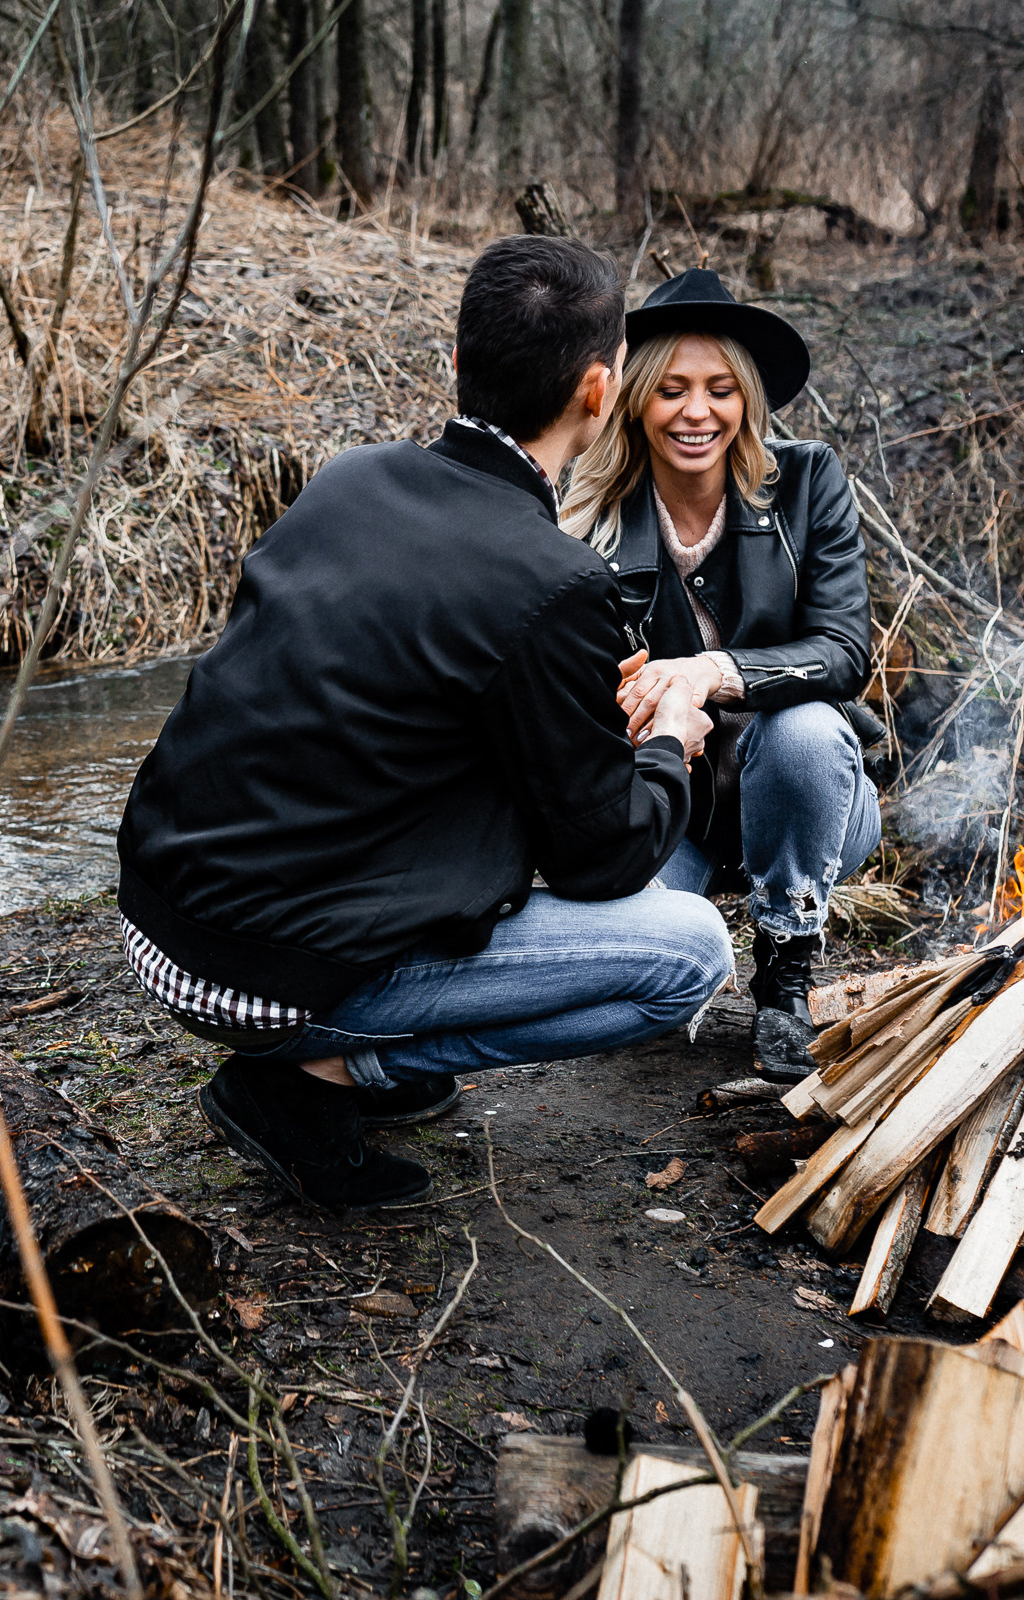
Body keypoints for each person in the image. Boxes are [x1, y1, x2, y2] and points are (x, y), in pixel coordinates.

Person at [116, 236, 733, 1214]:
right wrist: (667, 741)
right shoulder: (555, 581)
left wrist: (575, 713)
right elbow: (601, 862)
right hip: (257, 975)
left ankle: (344, 1063)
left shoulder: (349, 480)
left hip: (157, 924)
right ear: (600, 392)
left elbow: (384, 722)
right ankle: (315, 1083)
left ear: (456, 365)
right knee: (692, 950)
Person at [559, 268, 876, 1080]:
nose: (696, 412)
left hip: (813, 797)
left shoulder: (808, 481)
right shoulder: (590, 514)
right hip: (677, 804)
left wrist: (710, 672)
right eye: (670, 390)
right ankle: (688, 948)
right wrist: (625, 698)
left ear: (748, 401)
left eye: (720, 389)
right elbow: (575, 691)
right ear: (634, 399)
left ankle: (785, 968)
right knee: (637, 991)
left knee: (804, 727)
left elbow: (843, 652)